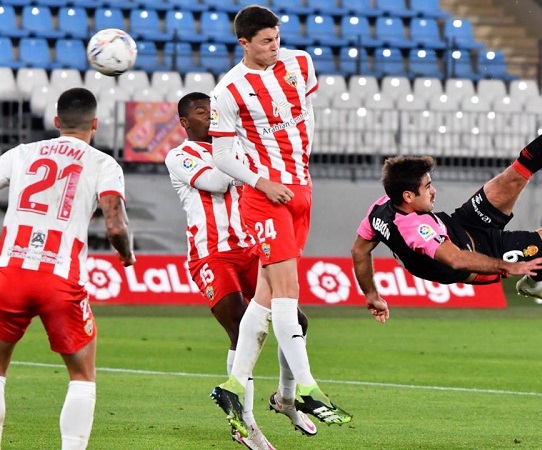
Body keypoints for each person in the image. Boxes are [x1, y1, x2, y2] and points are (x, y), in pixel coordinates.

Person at [207, 5, 350, 439]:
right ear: (244, 43)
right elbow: (221, 156)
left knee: (267, 295)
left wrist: (298, 169)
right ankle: (305, 388)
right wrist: (261, 181)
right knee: (288, 289)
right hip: (264, 197)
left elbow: (306, 115)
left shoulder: (300, 63)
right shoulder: (228, 90)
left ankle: (234, 385)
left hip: (300, 190)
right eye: (266, 41)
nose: (275, 46)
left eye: (277, 38)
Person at [351, 85, 542, 322]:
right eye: (427, 188)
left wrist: (372, 296)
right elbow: (457, 259)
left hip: (460, 224)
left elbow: (359, 251)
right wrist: (507, 267)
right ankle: (536, 283)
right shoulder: (417, 230)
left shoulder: (381, 207)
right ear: (407, 196)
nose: (434, 192)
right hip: (479, 255)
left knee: (514, 175)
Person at [165, 93, 316, 449]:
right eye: (202, 113)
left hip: (251, 249)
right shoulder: (180, 155)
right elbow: (216, 183)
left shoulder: (238, 149)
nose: (210, 117)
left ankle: (285, 399)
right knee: (238, 321)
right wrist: (247, 168)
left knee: (297, 322)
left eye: (213, 112)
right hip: (212, 255)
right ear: (186, 122)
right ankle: (244, 423)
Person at [0, 87, 135, 450]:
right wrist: (126, 255)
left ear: (56, 122)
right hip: (60, 278)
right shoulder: (103, 163)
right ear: (95, 124)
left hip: (8, 272)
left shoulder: (22, 153)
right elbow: (116, 226)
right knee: (81, 375)